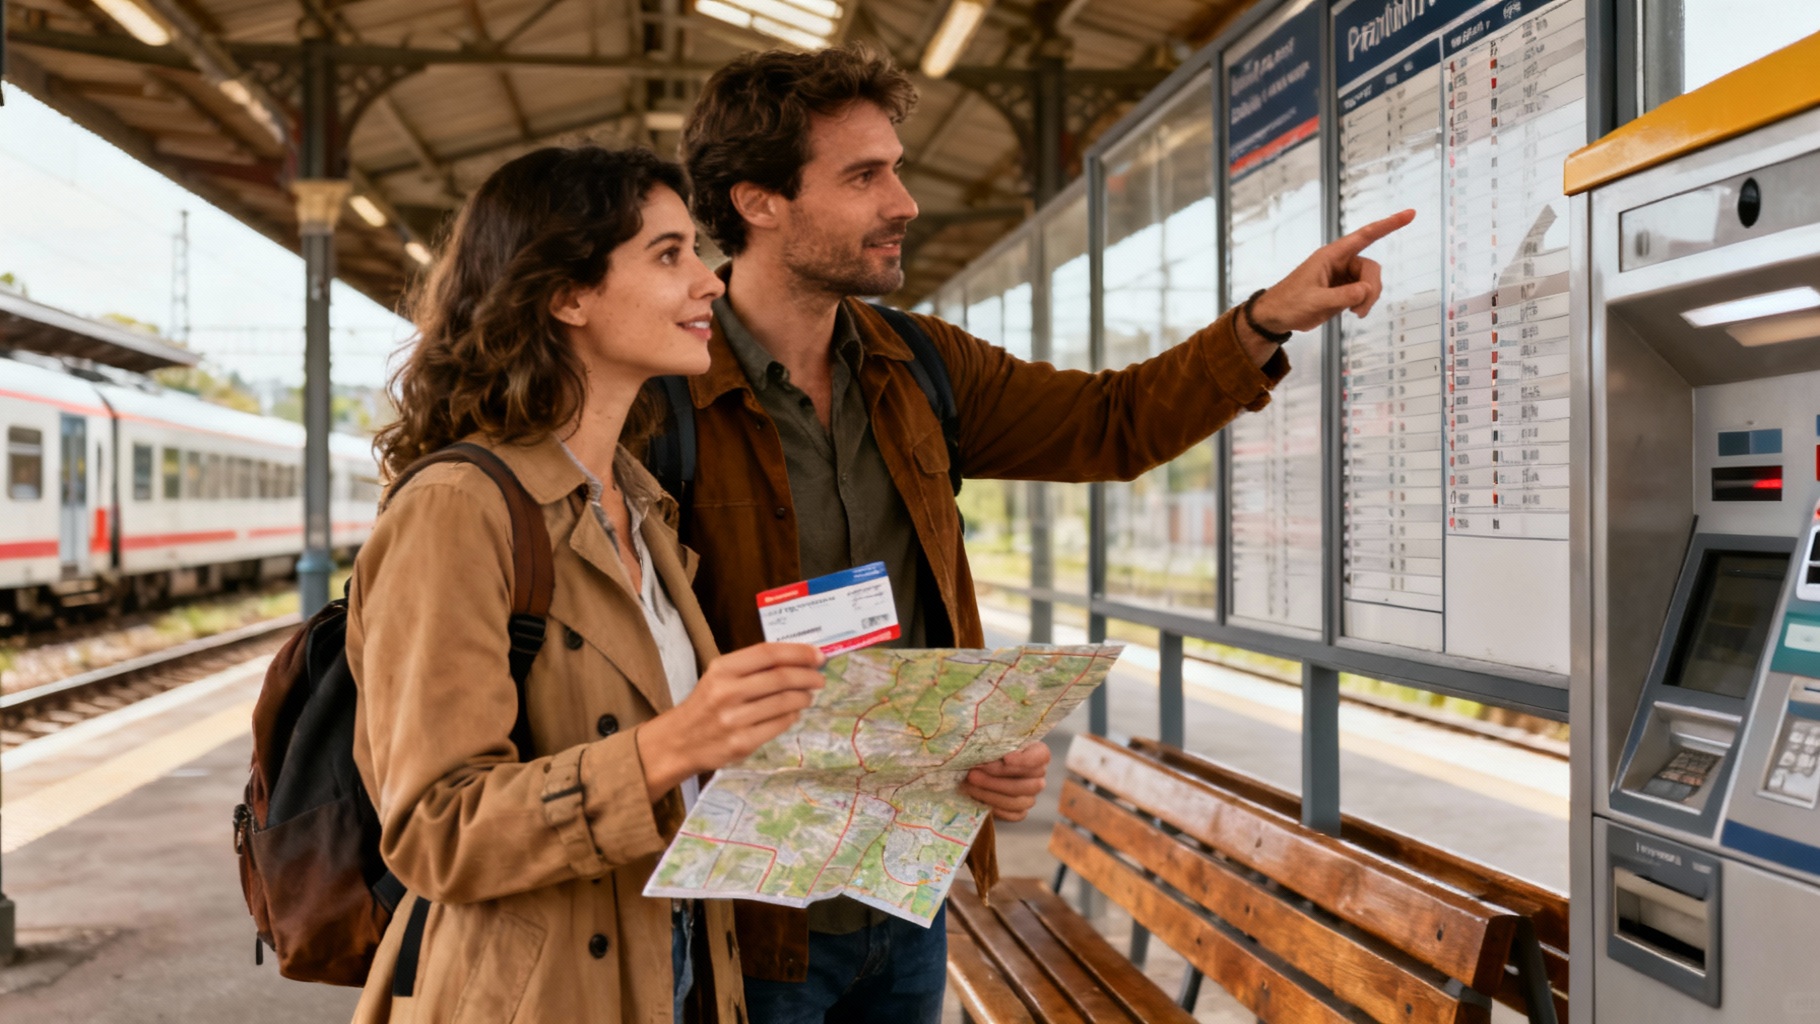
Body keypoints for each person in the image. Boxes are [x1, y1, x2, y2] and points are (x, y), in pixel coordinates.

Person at [673, 43, 1412, 1024]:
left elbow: (1109, 422)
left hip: (907, 881)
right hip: (741, 910)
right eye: (863, 175)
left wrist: (1267, 319)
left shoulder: (920, 363)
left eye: (896, 167)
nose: (903, 201)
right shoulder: (661, 394)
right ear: (756, 200)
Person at [346, 145, 827, 1024]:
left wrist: (926, 763)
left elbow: (688, 771)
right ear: (567, 295)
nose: (710, 282)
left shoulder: (640, 506)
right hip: (537, 994)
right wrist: (670, 746)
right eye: (669, 254)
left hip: (677, 967)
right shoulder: (458, 508)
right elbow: (434, 830)